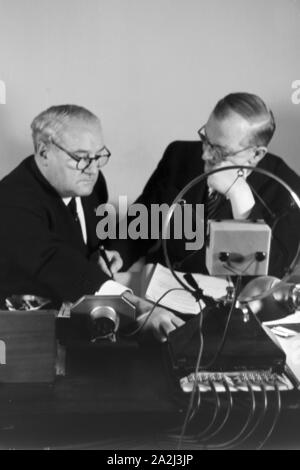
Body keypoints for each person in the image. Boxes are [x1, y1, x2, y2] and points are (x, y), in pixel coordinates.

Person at [0, 105, 184, 341]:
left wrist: (102, 254)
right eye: (81, 158)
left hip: (85, 319)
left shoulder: (88, 182)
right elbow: (57, 262)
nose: (93, 169)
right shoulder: (11, 202)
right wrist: (138, 306)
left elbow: (85, 242)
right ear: (44, 152)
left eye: (98, 156)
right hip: (29, 336)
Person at [113, 93, 300, 279]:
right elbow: (141, 223)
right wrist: (116, 256)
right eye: (205, 140)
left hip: (232, 302)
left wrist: (240, 197)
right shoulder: (179, 155)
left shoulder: (286, 188)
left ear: (256, 154)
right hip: (165, 289)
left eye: (220, 151)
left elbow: (271, 277)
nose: (205, 155)